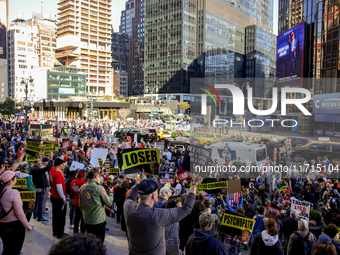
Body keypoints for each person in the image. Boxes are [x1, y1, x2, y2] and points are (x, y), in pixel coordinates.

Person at [124, 172, 203, 255]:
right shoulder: (156, 216)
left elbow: (130, 196)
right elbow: (186, 209)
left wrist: (141, 183)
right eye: (157, 191)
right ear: (154, 196)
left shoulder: (128, 207)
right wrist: (194, 184)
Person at [0, 170, 32, 255]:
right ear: (10, 181)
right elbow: (19, 213)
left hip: (2, 226)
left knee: (7, 249)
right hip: (15, 227)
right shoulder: (13, 193)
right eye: (15, 178)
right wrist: (27, 226)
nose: (16, 180)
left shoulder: (1, 191)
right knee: (14, 250)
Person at [79, 168, 113, 242]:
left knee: (89, 241)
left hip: (87, 219)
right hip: (98, 220)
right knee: (99, 241)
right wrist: (111, 193)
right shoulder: (99, 188)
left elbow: (80, 205)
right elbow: (109, 202)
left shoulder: (82, 187)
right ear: (96, 177)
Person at [31, 156, 53, 222]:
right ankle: (40, 216)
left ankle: (35, 214)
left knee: (37, 202)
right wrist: (51, 159)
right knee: (40, 203)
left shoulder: (34, 169)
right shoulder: (38, 170)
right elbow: (47, 167)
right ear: (39, 164)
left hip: (37, 187)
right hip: (40, 187)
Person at [50, 158, 68, 239]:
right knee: (61, 216)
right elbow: (59, 187)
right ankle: (60, 233)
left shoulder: (52, 171)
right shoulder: (58, 174)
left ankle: (55, 231)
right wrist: (63, 198)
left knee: (55, 215)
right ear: (60, 165)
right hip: (58, 198)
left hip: (54, 195)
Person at [70, 169, 87, 234]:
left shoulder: (73, 182)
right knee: (83, 219)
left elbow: (71, 192)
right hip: (83, 203)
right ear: (83, 175)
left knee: (76, 218)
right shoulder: (85, 183)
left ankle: (75, 232)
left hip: (76, 202)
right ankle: (82, 233)